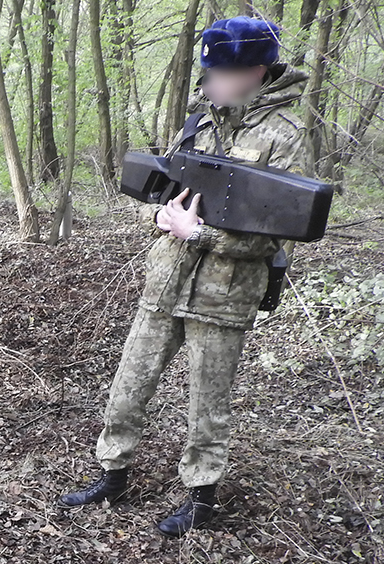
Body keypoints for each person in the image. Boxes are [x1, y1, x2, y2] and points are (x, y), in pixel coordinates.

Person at [58, 17, 311, 536]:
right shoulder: (199, 122)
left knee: (208, 405)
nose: (209, 80)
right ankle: (113, 474)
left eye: (220, 71)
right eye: (208, 69)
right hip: (165, 283)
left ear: (256, 71)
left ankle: (201, 497)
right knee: (127, 387)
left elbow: (274, 235)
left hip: (224, 298)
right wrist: (158, 218)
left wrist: (198, 235)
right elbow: (164, 192)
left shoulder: (287, 137)